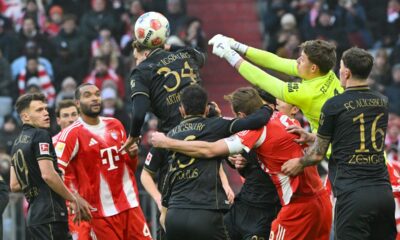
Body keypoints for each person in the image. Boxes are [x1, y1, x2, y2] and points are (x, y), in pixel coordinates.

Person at [151, 87, 332, 240]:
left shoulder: (255, 132)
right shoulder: (284, 119)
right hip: (321, 201)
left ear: (241, 115)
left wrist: (167, 142)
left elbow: (210, 150)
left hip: (298, 207)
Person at [281, 47, 396, 240]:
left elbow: (318, 154)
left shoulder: (334, 105)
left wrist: (298, 163)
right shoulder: (382, 102)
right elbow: (352, 134)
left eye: (340, 68)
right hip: (383, 193)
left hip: (353, 196)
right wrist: (311, 137)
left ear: (346, 73)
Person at [156, 85, 273, 240]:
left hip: (174, 213)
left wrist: (164, 213)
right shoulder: (216, 125)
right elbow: (256, 121)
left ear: (182, 110)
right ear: (206, 109)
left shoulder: (170, 136)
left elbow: (169, 177)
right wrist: (268, 108)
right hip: (205, 212)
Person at [55, 83, 152, 240]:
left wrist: (132, 156)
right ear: (77, 103)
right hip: (100, 214)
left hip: (130, 205)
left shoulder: (115, 124)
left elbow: (128, 169)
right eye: (88, 95)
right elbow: (56, 172)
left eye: (97, 94)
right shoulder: (72, 134)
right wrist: (73, 197)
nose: (94, 98)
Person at [207, 35, 343, 133]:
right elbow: (275, 61)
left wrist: (229, 55)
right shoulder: (326, 72)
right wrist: (236, 45)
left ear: (313, 68)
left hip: (335, 153)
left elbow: (262, 79)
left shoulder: (308, 93)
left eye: (301, 59)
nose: (297, 61)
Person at [9, 93, 90, 239]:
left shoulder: (16, 143)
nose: (46, 113)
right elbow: (48, 175)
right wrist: (73, 199)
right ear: (25, 117)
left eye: (45, 109)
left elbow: (14, 184)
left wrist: (36, 181)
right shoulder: (41, 135)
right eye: (39, 110)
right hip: (51, 215)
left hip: (34, 217)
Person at [223, 89, 280, 240]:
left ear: (241, 116)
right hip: (245, 203)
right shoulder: (249, 133)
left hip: (266, 210)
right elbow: (248, 167)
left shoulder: (271, 131)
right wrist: (237, 163)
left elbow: (213, 150)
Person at [53, 99, 93, 240]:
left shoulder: (92, 138)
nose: (71, 119)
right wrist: (73, 199)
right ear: (58, 120)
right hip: (73, 207)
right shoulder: (54, 143)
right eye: (65, 116)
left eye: (73, 114)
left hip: (96, 205)